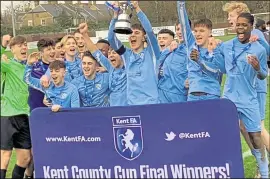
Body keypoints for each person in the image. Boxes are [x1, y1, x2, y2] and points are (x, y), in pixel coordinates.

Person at [213, 12, 269, 178]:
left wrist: (258, 67)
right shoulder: (226, 45)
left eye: (244, 25)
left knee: (256, 136)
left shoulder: (258, 49)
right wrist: (209, 53)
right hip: (229, 99)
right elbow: (220, 67)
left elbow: (263, 75)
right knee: (225, 134)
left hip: (248, 98)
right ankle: (227, 170)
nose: (240, 28)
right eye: (238, 24)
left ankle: (264, 172)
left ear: (251, 26)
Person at [108, 1, 160, 105]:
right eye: (130, 33)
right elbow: (111, 38)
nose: (133, 35)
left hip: (152, 104)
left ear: (143, 37)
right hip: (132, 105)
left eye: (137, 33)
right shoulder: (126, 55)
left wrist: (137, 9)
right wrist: (115, 16)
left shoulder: (152, 53)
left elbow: (149, 31)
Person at [177, 1, 224, 102]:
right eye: (196, 31)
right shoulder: (191, 45)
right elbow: (184, 23)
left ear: (210, 32)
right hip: (192, 96)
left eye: (202, 31)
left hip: (211, 95)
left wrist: (199, 60)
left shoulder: (217, 48)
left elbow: (216, 71)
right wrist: (180, 3)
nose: (198, 34)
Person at [1, 35, 31, 179]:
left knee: (25, 158)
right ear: (12, 49)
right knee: (5, 155)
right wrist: (2, 46)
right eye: (20, 45)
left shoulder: (29, 66)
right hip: (8, 114)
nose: (24, 47)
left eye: (25, 45)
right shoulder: (8, 65)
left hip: (25, 115)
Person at [78, 23, 127, 106]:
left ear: (121, 55)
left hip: (128, 109)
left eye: (114, 53)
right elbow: (95, 51)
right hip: (113, 110)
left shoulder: (129, 67)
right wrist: (84, 34)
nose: (110, 55)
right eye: (109, 53)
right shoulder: (110, 67)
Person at [157, 26, 188, 103]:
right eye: (159, 38)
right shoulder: (155, 55)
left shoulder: (181, 52)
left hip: (178, 95)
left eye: (164, 38)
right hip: (160, 94)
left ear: (173, 41)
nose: (161, 40)